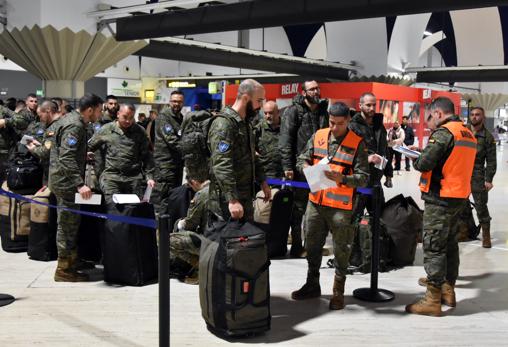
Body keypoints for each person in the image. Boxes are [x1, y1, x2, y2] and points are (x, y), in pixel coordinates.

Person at [291, 102, 369, 310]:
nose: (335, 128)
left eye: (340, 124)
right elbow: (301, 159)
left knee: (342, 249)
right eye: (332, 122)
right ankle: (312, 285)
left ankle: (338, 292)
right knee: (312, 246)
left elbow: (363, 178)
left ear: (349, 120)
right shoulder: (319, 136)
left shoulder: (357, 143)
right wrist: (306, 167)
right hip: (316, 202)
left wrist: (342, 178)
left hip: (340, 208)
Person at [406, 97, 477, 316]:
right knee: (450, 244)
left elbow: (424, 163)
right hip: (459, 198)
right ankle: (448, 290)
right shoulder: (467, 133)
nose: (429, 121)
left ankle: (432, 300)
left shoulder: (443, 134)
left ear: (438, 113)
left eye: (429, 116)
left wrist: (416, 156)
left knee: (434, 246)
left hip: (441, 197)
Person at [48, 93, 103, 282]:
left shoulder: (73, 120)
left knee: (71, 222)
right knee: (67, 226)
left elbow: (67, 152)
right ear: (90, 110)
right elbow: (66, 157)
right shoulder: (75, 125)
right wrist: (79, 184)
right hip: (66, 183)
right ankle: (63, 269)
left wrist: (83, 155)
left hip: (63, 180)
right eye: (99, 110)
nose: (100, 114)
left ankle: (72, 261)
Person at [207, 79, 271, 222]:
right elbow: (221, 164)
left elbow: (252, 155)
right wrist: (232, 200)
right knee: (226, 242)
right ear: (246, 98)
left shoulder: (245, 123)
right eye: (259, 101)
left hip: (245, 196)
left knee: (244, 241)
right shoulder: (224, 124)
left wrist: (263, 182)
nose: (260, 106)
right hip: (226, 202)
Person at [279, 80, 329, 257]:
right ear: (304, 92)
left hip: (321, 166)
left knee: (318, 208)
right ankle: (297, 245)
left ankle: (313, 245)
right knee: (298, 209)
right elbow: (285, 140)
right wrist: (287, 166)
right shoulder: (293, 112)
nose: (316, 91)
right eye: (312, 89)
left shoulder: (324, 111)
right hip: (300, 167)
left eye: (317, 88)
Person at [87, 104, 155, 204]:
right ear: (118, 114)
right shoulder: (107, 129)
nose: (128, 121)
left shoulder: (140, 131)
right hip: (112, 177)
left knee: (133, 211)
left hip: (133, 178)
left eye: (131, 118)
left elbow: (147, 156)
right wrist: (87, 152)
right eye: (125, 117)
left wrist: (149, 177)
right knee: (113, 208)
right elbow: (90, 145)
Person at [170, 174, 210, 285]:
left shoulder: (202, 194)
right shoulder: (223, 188)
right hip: (228, 240)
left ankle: (201, 267)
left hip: (210, 242)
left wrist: (180, 224)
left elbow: (190, 224)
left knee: (168, 240)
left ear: (194, 182)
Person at [467, 107, 497, 248]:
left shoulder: (488, 137)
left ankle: (486, 234)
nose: (474, 117)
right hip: (460, 172)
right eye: (472, 115)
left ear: (483, 117)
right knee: (457, 204)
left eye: (477, 115)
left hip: (477, 173)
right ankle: (463, 230)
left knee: (480, 205)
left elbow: (491, 161)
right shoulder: (463, 132)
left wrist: (489, 179)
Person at [153, 90, 185, 214]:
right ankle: (159, 230)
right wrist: (188, 150)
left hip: (177, 164)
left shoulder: (180, 118)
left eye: (179, 102)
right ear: (169, 102)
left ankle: (170, 228)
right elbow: (171, 140)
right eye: (174, 101)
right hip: (165, 165)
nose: (176, 104)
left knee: (174, 195)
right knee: (163, 198)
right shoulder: (164, 117)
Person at [26, 100, 63, 185]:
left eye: (41, 116)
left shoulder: (53, 128)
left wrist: (33, 149)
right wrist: (40, 145)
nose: (41, 119)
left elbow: (46, 152)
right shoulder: (62, 123)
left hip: (54, 172)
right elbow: (54, 147)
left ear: (48, 111)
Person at [254, 100, 283, 179]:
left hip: (283, 174)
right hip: (264, 174)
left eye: (270, 113)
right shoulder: (258, 128)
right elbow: (247, 144)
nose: (267, 116)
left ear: (278, 112)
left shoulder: (286, 127)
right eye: (265, 113)